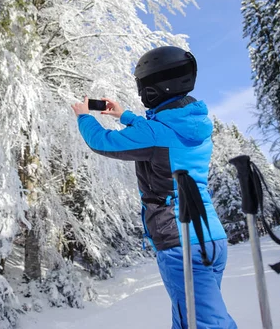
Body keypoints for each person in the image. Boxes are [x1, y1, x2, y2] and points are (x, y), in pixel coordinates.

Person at [71, 46, 237, 329]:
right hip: (212, 238)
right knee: (188, 319)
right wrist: (124, 116)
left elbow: (102, 142)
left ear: (153, 88)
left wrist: (83, 116)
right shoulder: (194, 124)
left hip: (181, 240)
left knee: (205, 324)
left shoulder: (155, 134)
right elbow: (158, 132)